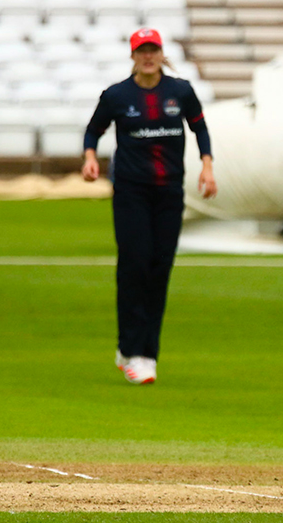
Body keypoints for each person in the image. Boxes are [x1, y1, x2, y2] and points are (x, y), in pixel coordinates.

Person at [82, 28, 217, 385]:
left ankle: (145, 352)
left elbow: (200, 129)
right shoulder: (116, 95)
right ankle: (132, 350)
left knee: (159, 270)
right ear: (133, 55)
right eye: (142, 50)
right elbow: (93, 130)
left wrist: (207, 165)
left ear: (160, 53)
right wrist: (90, 158)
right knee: (135, 265)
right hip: (131, 193)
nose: (148, 56)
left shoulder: (180, 91)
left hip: (169, 192)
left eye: (153, 49)